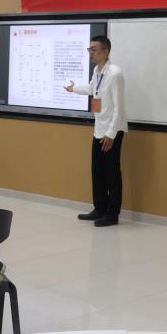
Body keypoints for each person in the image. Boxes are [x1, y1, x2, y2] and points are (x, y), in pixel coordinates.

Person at [65, 35, 127, 227]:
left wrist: (111, 134)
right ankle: (99, 208)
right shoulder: (97, 70)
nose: (90, 53)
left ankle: (112, 214)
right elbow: (93, 89)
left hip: (112, 131)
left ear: (105, 51)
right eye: (89, 49)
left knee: (111, 173)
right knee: (97, 171)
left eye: (94, 49)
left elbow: (119, 109)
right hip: (99, 129)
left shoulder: (115, 74)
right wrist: (74, 89)